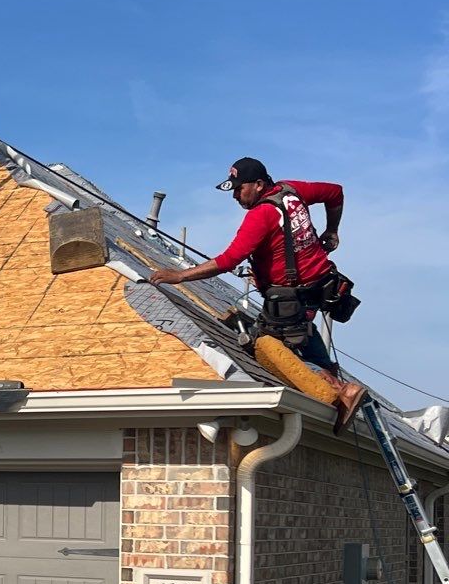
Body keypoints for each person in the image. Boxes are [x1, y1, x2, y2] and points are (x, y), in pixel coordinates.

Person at [148, 157, 365, 420]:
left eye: (240, 189)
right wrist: (332, 230)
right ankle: (335, 384)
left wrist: (180, 276)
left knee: (269, 348)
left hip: (291, 297)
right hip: (319, 286)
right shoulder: (292, 190)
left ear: (259, 184)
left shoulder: (260, 215)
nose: (236, 196)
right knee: (306, 338)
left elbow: (228, 260)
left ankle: (342, 391)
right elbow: (335, 192)